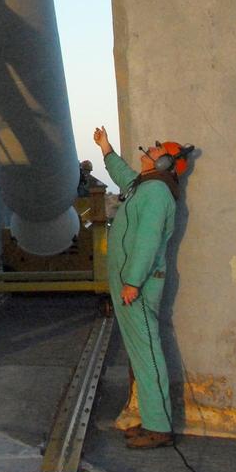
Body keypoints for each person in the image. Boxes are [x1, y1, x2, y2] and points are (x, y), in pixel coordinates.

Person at [93, 125, 193, 450]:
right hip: (128, 286)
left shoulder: (157, 193)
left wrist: (133, 282)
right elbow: (124, 175)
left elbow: (148, 243)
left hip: (138, 286)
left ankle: (160, 427)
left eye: (157, 150)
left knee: (148, 354)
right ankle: (152, 421)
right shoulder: (144, 186)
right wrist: (106, 149)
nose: (149, 151)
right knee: (140, 353)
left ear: (165, 164)